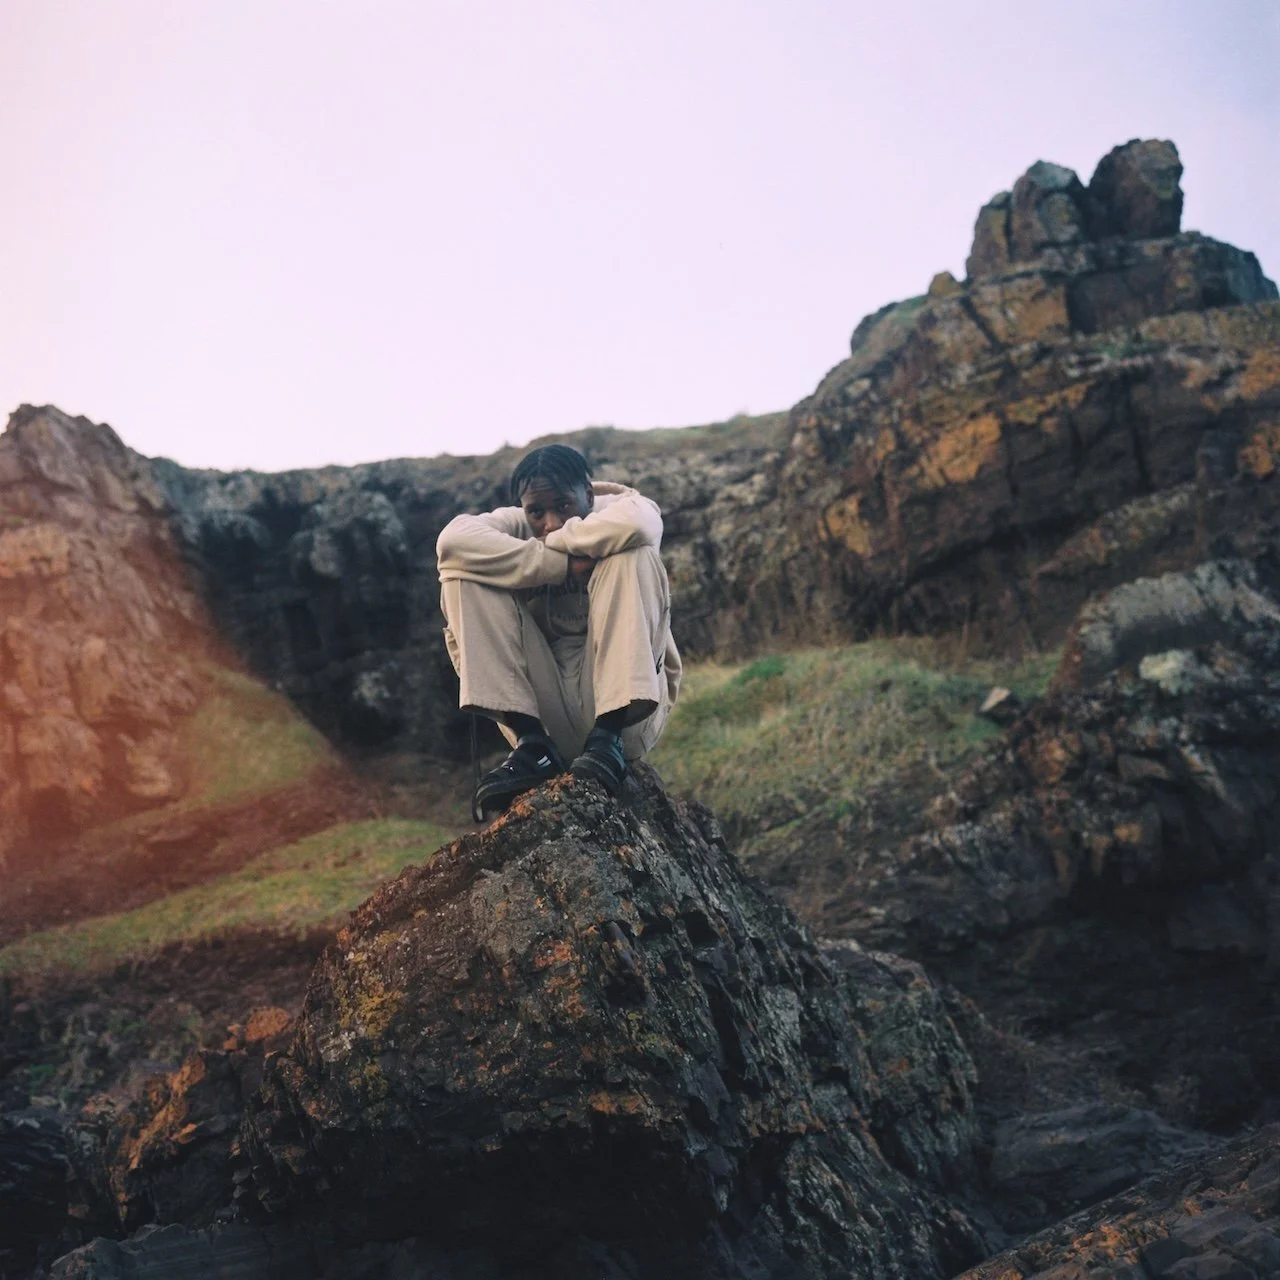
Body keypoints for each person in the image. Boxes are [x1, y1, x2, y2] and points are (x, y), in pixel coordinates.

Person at [436, 444, 681, 819]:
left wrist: (553, 544)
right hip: (546, 717)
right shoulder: (518, 524)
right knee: (462, 576)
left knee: (633, 552)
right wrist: (555, 563)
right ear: (523, 507)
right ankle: (532, 745)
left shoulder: (623, 508)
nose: (550, 522)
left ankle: (607, 740)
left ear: (588, 491)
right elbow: (451, 543)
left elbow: (636, 526)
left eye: (563, 506)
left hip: (629, 716)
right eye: (537, 511)